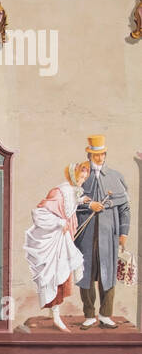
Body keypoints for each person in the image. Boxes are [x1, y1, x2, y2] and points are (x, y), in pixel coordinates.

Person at [23, 160, 90, 331]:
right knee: (54, 277)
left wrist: (82, 200)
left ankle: (56, 315)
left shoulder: (72, 191)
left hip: (63, 240)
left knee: (63, 276)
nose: (82, 179)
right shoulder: (60, 192)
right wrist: (60, 223)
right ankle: (56, 317)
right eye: (80, 176)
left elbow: (69, 206)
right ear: (73, 175)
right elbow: (39, 213)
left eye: (84, 177)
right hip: (52, 240)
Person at [76, 135, 130, 330]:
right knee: (85, 274)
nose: (100, 158)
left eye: (102, 154)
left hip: (109, 236)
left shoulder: (116, 177)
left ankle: (105, 315)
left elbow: (124, 209)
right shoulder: (80, 176)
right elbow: (71, 203)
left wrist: (123, 233)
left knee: (108, 274)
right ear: (89, 154)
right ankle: (89, 314)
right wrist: (90, 204)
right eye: (96, 155)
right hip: (85, 237)